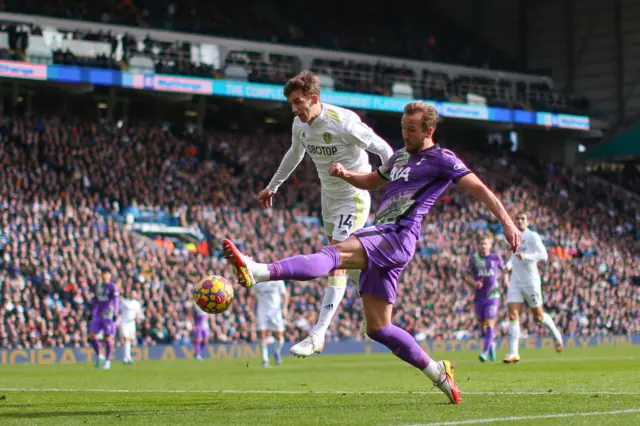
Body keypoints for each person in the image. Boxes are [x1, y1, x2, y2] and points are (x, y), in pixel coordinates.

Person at [224, 101, 522, 404]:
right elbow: (373, 180)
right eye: (403, 127)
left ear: (429, 130)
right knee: (379, 328)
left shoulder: (443, 159)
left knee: (335, 255)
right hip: (385, 239)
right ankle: (438, 373)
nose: (404, 134)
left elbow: (481, 189)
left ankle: (259, 271)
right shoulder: (400, 157)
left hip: (397, 235)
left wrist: (508, 224)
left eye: (412, 129)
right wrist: (345, 174)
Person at [257, 70, 393, 357]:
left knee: (336, 261)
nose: (294, 110)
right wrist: (273, 187)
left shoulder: (344, 122)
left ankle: (318, 333)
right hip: (328, 200)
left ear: (314, 98)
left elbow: (384, 150)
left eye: (298, 102)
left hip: (353, 197)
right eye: (291, 104)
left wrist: (386, 186)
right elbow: (294, 154)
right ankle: (377, 283)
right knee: (349, 265)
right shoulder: (299, 125)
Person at [503, 212, 564, 363]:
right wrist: (508, 266)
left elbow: (544, 255)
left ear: (527, 221)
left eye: (522, 219)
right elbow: (513, 256)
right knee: (512, 315)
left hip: (531, 282)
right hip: (516, 281)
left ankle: (556, 333)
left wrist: (527, 257)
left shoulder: (533, 236)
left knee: (539, 316)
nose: (519, 221)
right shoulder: (512, 236)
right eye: (517, 219)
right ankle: (513, 352)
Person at [465, 234, 506, 362]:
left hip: (493, 295)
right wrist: (474, 283)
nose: (483, 246)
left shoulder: (495, 258)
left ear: (490, 245)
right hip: (479, 296)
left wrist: (506, 280)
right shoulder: (474, 259)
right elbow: (467, 276)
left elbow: (504, 270)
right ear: (478, 245)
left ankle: (484, 352)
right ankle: (491, 344)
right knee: (483, 326)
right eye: (481, 243)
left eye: (486, 243)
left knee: (490, 323)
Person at [249, 280, 289, 367]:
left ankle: (277, 352)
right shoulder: (259, 282)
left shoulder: (278, 281)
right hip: (262, 311)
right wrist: (251, 310)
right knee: (262, 334)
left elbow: (285, 295)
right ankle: (264, 359)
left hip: (275, 311)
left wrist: (285, 308)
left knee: (279, 335)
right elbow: (253, 296)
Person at [89, 267, 120, 370]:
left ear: (110, 275)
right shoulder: (99, 286)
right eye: (103, 273)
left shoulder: (112, 287)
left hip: (108, 315)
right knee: (92, 336)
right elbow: (96, 300)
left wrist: (115, 313)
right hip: (98, 314)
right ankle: (99, 355)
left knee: (108, 338)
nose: (105, 275)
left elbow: (115, 301)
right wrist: (92, 312)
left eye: (107, 273)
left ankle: (108, 361)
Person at [118, 289, 142, 364]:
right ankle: (126, 357)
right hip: (124, 322)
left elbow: (137, 313)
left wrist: (138, 321)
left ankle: (128, 357)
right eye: (132, 293)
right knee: (126, 339)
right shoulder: (124, 302)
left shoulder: (137, 304)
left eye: (134, 294)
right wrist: (117, 322)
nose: (133, 295)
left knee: (130, 340)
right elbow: (119, 312)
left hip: (132, 323)